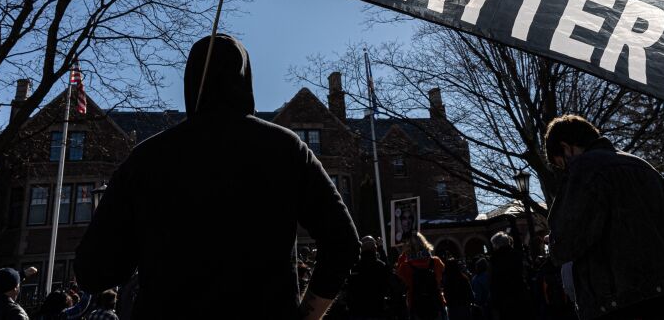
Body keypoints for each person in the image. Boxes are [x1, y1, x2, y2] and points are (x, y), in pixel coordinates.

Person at [74, 34, 360, 319]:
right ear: (246, 79)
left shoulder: (146, 158)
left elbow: (93, 272)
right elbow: (343, 242)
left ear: (190, 81)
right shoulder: (285, 147)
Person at [545, 115, 664, 320]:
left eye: (562, 164)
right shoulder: (645, 168)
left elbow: (566, 243)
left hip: (620, 300)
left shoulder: (584, 170)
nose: (565, 170)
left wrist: (553, 244)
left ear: (566, 147)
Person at [396, 233, 446, 320]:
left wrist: (403, 255)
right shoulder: (436, 262)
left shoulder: (405, 266)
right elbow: (442, 275)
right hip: (436, 304)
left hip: (416, 306)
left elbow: (398, 275)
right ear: (424, 244)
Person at [346, 236, 391, 320]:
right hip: (377, 311)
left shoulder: (354, 267)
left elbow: (347, 288)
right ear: (375, 248)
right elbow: (389, 277)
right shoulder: (381, 266)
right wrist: (381, 249)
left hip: (356, 311)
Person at [487, 232, 530, 320]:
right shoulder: (517, 254)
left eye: (494, 245)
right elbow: (525, 272)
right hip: (520, 292)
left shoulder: (494, 259)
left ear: (497, 245)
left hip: (504, 297)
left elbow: (493, 281)